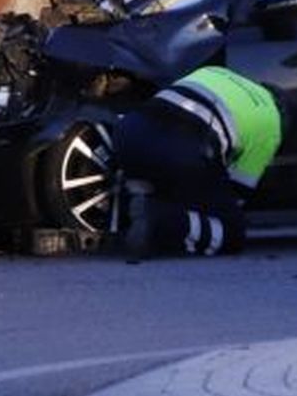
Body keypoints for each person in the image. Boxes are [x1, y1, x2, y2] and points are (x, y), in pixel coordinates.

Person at [115, 66, 282, 260]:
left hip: (129, 131)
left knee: (175, 184)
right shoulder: (273, 125)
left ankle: (128, 213)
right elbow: (237, 190)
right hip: (182, 147)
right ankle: (159, 221)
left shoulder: (217, 71)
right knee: (232, 233)